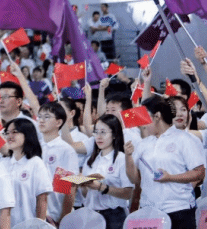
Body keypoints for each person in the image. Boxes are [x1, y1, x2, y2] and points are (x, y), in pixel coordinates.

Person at [125, 96, 205, 228]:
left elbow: (199, 172)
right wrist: (128, 157)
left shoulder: (185, 139)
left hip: (179, 210)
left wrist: (170, 177)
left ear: (157, 116)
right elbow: (134, 179)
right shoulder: (143, 144)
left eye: (145, 117)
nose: (142, 124)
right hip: (150, 213)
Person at [80, 114, 133, 229]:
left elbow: (128, 193)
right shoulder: (90, 160)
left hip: (114, 216)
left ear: (114, 134)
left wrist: (101, 187)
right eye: (96, 132)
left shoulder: (121, 159)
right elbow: (86, 194)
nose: (98, 136)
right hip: (91, 216)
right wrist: (82, 185)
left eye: (103, 132)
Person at [0, 118, 51, 226]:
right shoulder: (2, 164)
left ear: (27, 134)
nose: (9, 136)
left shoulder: (36, 163)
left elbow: (42, 199)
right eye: (7, 133)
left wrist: (39, 225)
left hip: (29, 225)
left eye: (14, 132)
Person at [35, 101, 78, 224]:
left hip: (54, 215)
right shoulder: (35, 147)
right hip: (34, 214)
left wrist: (63, 218)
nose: (41, 120)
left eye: (47, 117)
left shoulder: (65, 150)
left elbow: (69, 187)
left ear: (58, 122)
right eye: (39, 116)